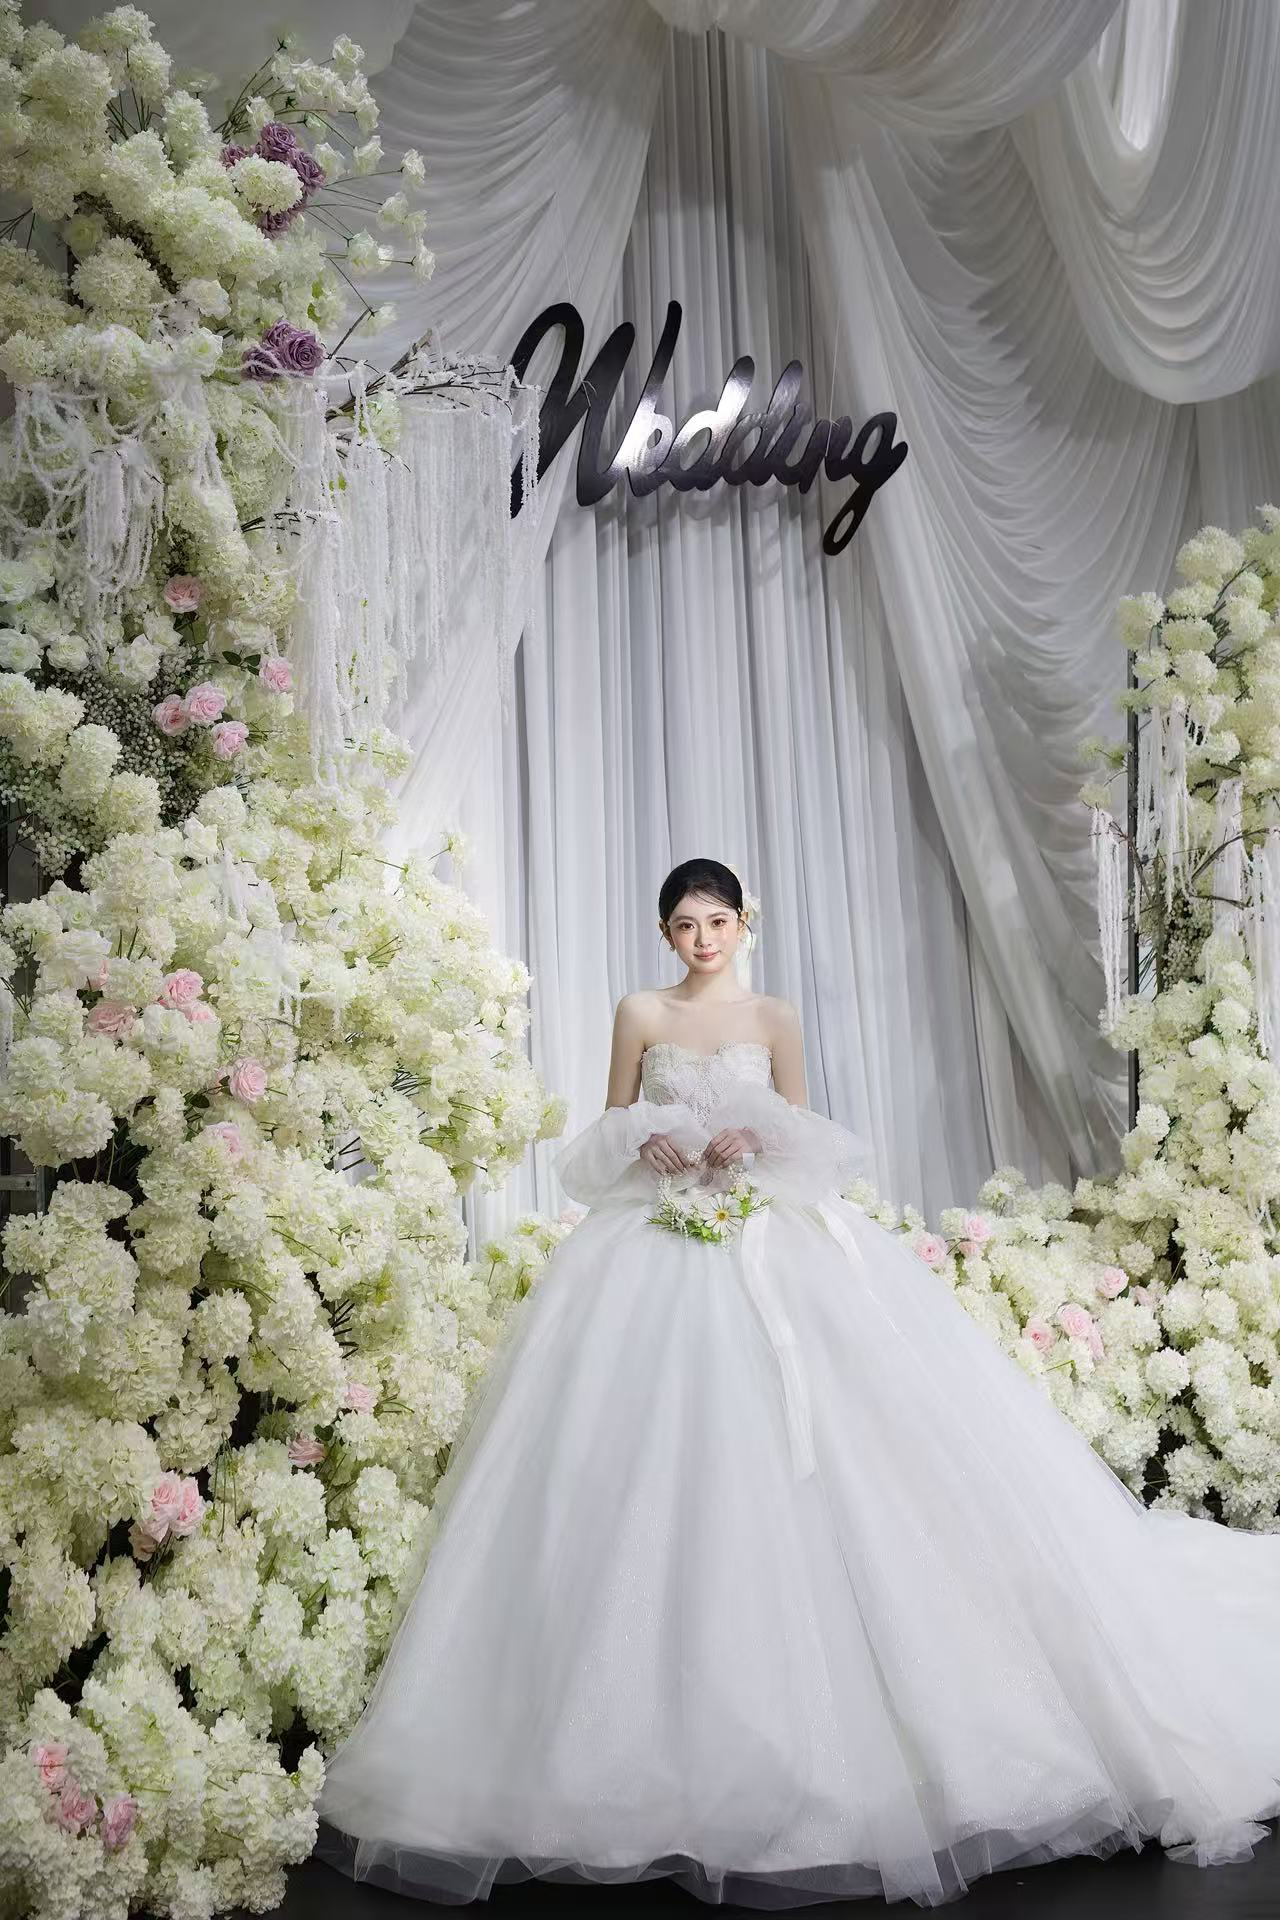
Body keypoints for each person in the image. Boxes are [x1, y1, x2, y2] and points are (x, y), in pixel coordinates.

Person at [315, 856, 1280, 1909]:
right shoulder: (640, 1012)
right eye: (685, 925)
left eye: (716, 921)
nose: (702, 940)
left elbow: (808, 1139)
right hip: (652, 1244)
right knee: (629, 1460)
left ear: (744, 923)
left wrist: (755, 1136)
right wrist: (652, 1141)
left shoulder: (773, 1017)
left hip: (767, 1241)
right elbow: (604, 1130)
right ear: (664, 934)